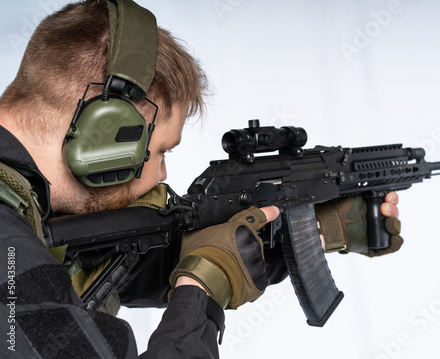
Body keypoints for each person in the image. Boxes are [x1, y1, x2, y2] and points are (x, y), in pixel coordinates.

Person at [0, 1, 402, 358]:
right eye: (160, 152)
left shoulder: (26, 206)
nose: (162, 174)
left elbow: (117, 266)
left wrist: (308, 230)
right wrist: (200, 291)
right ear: (104, 137)